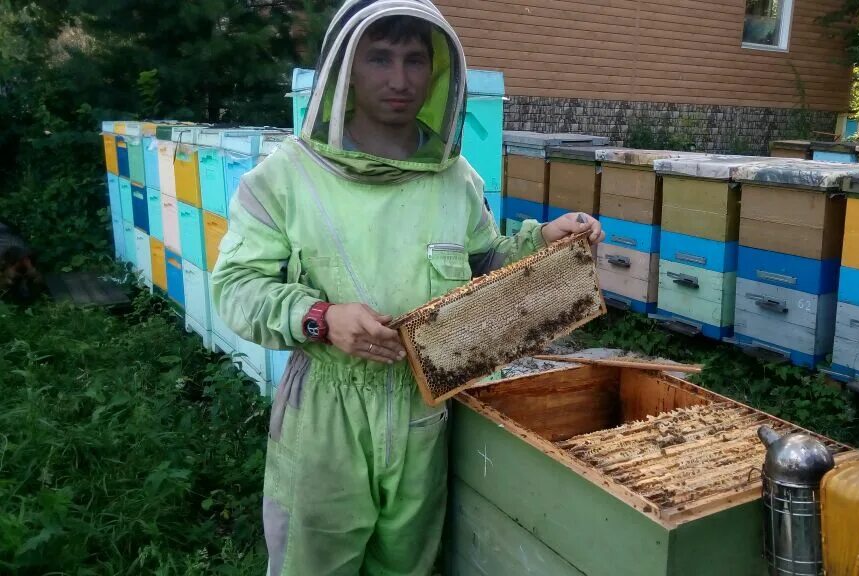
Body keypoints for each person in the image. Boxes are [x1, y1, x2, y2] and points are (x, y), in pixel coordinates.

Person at [210, 1, 604, 574]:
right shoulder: (281, 179)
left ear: (437, 72)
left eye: (415, 60)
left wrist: (545, 242)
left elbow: (484, 265)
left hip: (422, 407)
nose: (399, 80)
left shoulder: (455, 178)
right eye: (380, 59)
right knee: (313, 564)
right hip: (327, 415)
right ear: (346, 67)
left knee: (408, 565)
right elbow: (237, 289)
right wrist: (320, 317)